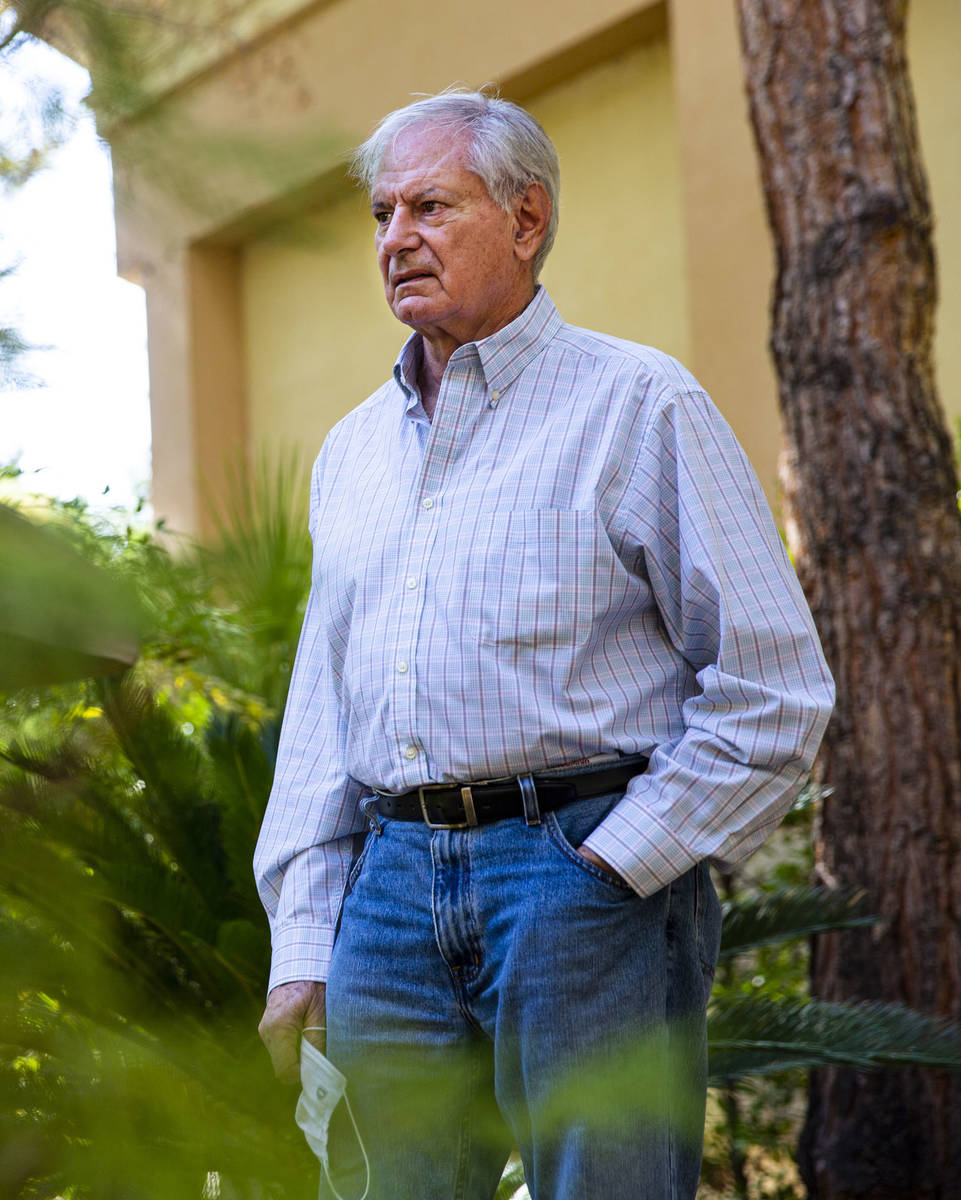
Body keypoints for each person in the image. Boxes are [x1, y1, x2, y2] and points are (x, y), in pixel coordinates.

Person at [254, 89, 834, 1199]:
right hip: (387, 892)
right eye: (380, 214)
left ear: (527, 220)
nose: (393, 240)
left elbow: (772, 686)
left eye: (429, 205)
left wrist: (615, 866)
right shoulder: (351, 454)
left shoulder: (639, 404)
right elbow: (324, 724)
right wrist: (304, 947)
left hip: (577, 869)